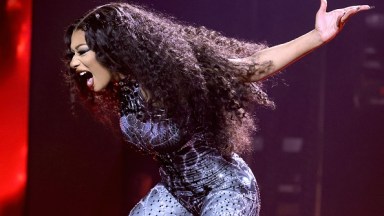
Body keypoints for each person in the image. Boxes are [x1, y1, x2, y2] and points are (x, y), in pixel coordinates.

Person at [64, 0, 371, 215]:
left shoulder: (177, 73)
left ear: (113, 48)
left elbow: (252, 67)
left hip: (226, 189)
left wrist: (317, 36)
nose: (74, 63)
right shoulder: (124, 87)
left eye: (82, 52)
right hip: (177, 193)